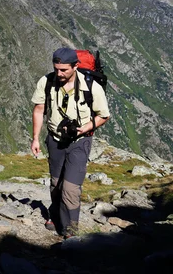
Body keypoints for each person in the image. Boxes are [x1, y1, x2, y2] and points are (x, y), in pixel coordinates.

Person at [30, 47, 110, 238]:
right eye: (56, 69)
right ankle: (56, 215)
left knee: (71, 188)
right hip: (55, 139)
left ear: (75, 66)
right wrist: (35, 138)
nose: (59, 73)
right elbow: (39, 110)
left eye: (64, 70)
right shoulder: (47, 81)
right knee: (56, 183)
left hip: (80, 140)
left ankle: (70, 230)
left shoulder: (92, 87)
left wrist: (87, 127)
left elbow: (104, 115)